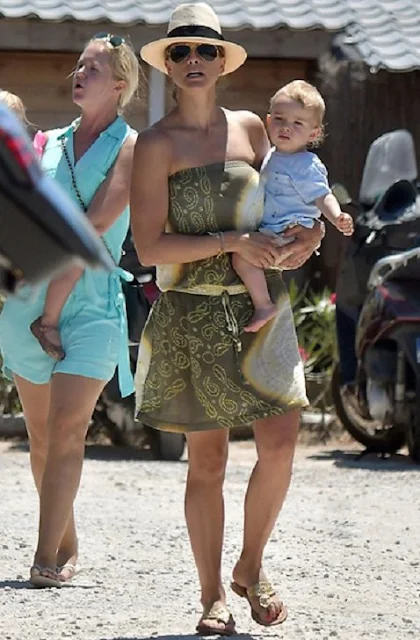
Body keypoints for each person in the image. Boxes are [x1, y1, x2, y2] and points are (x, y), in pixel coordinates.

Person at [131, 2, 324, 634]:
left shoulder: (256, 128)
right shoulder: (155, 143)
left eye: (205, 51)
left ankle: (251, 564)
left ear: (221, 62)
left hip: (261, 306)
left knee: (281, 446)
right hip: (191, 314)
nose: (193, 61)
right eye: (181, 51)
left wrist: (310, 236)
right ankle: (212, 594)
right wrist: (231, 244)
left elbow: (289, 201)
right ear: (167, 61)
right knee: (207, 462)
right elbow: (152, 247)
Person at [0, 32, 139, 587]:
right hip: (27, 305)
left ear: (120, 85)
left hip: (93, 308)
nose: (79, 74)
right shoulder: (47, 143)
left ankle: (44, 559)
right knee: (39, 436)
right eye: (78, 66)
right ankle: (68, 539)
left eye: (93, 69)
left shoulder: (133, 146)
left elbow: (97, 225)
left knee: (66, 427)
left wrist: (55, 310)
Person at [232, 80, 354, 332]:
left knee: (242, 259)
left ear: (314, 133)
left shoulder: (305, 164)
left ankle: (263, 304)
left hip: (284, 231)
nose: (286, 127)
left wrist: (337, 217)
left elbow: (323, 195)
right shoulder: (272, 155)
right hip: (274, 227)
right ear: (268, 121)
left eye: (297, 123)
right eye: (279, 119)